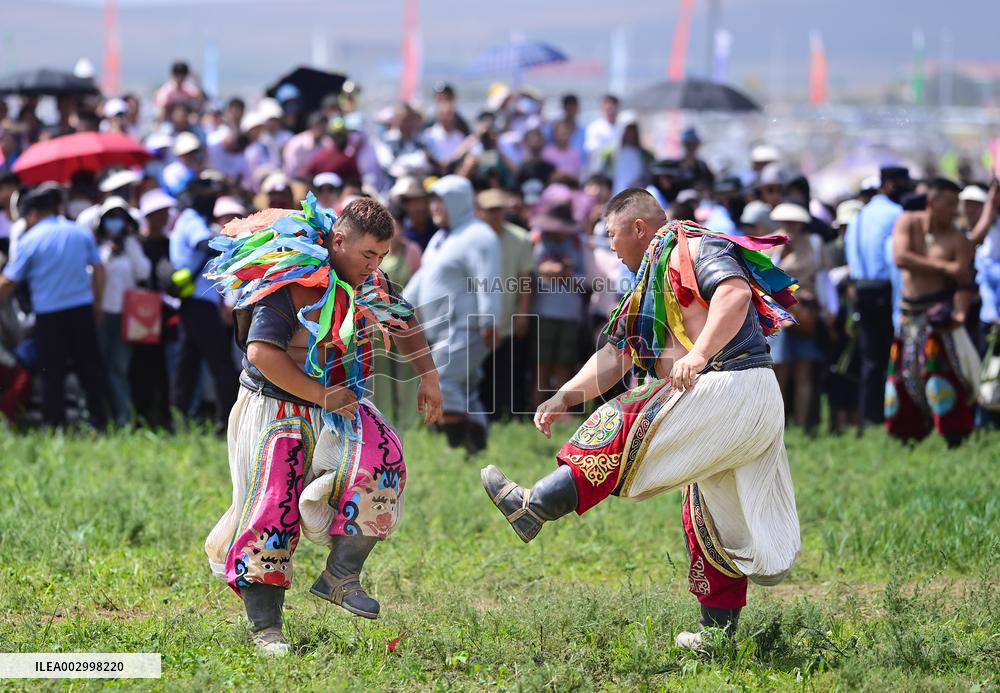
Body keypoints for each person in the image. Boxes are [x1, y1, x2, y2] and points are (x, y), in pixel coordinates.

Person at [481, 188, 800, 650]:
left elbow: (733, 295)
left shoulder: (692, 247)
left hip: (735, 385)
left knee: (625, 415)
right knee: (711, 517)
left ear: (638, 228)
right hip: (734, 399)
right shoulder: (651, 277)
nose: (610, 247)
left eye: (611, 235)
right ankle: (718, 635)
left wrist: (701, 354)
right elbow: (614, 354)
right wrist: (565, 396)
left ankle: (536, 505)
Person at [203, 195, 442, 655]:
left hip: (340, 405)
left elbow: (405, 318)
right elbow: (261, 353)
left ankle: (341, 574)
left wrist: (428, 376)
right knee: (274, 505)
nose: (375, 264)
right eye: (367, 254)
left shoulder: (368, 280)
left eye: (382, 256)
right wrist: (321, 395)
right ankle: (266, 628)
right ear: (338, 241)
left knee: (385, 460)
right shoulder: (290, 283)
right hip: (276, 408)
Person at [402, 175, 501, 455]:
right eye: (431, 201)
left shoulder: (479, 235)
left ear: (456, 202)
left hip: (466, 327)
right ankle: (476, 448)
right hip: (442, 330)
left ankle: (459, 445)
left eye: (439, 201)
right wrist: (396, 307)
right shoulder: (441, 237)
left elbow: (488, 280)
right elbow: (423, 278)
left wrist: (489, 320)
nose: (433, 208)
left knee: (442, 379)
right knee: (464, 386)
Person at [0, 184, 110, 430]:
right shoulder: (79, 232)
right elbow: (99, 270)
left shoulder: (31, 239)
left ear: (33, 214)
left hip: (50, 317)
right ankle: (100, 422)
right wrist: (98, 301)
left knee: (52, 373)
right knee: (90, 369)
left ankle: (55, 426)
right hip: (82, 310)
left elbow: (10, 280)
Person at [886, 178, 978, 444]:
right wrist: (945, 267)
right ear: (931, 202)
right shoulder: (908, 222)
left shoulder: (957, 239)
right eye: (949, 204)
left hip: (937, 316)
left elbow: (965, 282)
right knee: (902, 378)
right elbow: (901, 257)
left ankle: (954, 437)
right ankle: (907, 436)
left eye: (956, 205)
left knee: (941, 377)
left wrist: (960, 315)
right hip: (907, 316)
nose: (954, 211)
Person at [169, 176, 237, 432]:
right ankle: (226, 422)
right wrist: (228, 241)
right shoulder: (193, 220)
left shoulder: (189, 219)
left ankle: (179, 417)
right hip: (199, 303)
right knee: (221, 364)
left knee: (188, 364)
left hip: (193, 302)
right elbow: (203, 243)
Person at [845, 166, 911, 429]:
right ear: (891, 185)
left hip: (862, 289)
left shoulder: (861, 215)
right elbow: (893, 260)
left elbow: (852, 255)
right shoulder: (896, 213)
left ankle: (868, 417)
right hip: (885, 290)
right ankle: (890, 415)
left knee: (870, 358)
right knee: (890, 355)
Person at [767, 202, 829, 429]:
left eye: (794, 223)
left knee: (804, 370)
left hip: (806, 309)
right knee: (779, 369)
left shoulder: (814, 243)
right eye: (786, 223)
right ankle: (777, 426)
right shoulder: (771, 243)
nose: (790, 227)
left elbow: (823, 278)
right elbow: (765, 277)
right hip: (777, 312)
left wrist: (830, 309)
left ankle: (803, 424)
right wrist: (780, 253)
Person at [476, 189, 534, 419]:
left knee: (511, 367)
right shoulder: (473, 239)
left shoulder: (520, 238)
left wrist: (522, 313)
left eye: (499, 209)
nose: (495, 215)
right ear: (480, 213)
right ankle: (486, 415)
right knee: (483, 370)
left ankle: (512, 415)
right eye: (490, 210)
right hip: (479, 317)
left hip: (509, 314)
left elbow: (525, 279)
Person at [95, 197, 152, 426]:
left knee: (119, 367)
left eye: (119, 217)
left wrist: (129, 245)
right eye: (110, 217)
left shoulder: (131, 244)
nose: (114, 222)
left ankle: (124, 419)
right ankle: (101, 417)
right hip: (100, 313)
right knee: (99, 365)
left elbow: (143, 272)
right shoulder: (97, 245)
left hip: (126, 315)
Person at [583, 94, 620, 161]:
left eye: (613, 104)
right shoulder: (594, 128)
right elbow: (592, 149)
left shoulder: (623, 127)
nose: (610, 107)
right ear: (602, 107)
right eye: (607, 104)